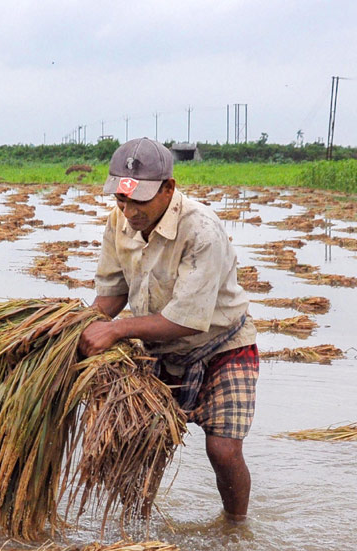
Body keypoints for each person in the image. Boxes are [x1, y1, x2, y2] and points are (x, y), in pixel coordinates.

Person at [79, 137, 259, 520]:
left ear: (169, 189)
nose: (129, 211)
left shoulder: (202, 231)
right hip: (158, 346)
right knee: (144, 440)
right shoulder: (119, 222)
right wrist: (77, 326)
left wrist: (114, 332)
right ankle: (136, 527)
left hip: (221, 344)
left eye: (139, 200)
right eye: (121, 200)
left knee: (223, 450)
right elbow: (112, 294)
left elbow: (184, 319)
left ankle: (236, 526)